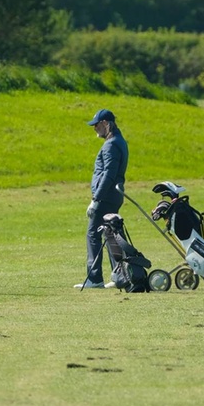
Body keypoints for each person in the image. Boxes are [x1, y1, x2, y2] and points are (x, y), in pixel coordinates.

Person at [74, 109, 128, 289]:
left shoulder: (111, 145)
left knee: (93, 235)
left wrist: (96, 199)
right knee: (111, 235)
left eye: (96, 125)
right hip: (114, 196)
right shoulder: (120, 141)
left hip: (105, 198)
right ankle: (120, 276)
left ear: (106, 123)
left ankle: (95, 278)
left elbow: (108, 175)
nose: (94, 129)